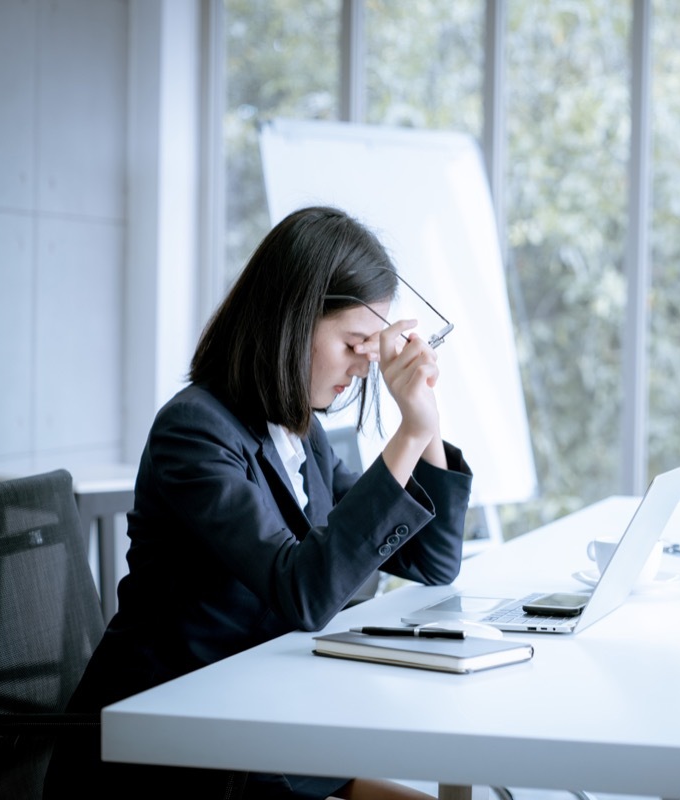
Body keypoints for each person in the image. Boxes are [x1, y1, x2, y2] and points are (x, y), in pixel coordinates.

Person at [45, 206, 472, 799]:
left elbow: (433, 563)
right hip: (176, 754)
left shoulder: (299, 433)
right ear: (294, 322)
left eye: (373, 348)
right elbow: (304, 591)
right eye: (355, 343)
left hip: (263, 728)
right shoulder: (194, 433)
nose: (366, 365)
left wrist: (427, 420)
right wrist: (405, 435)